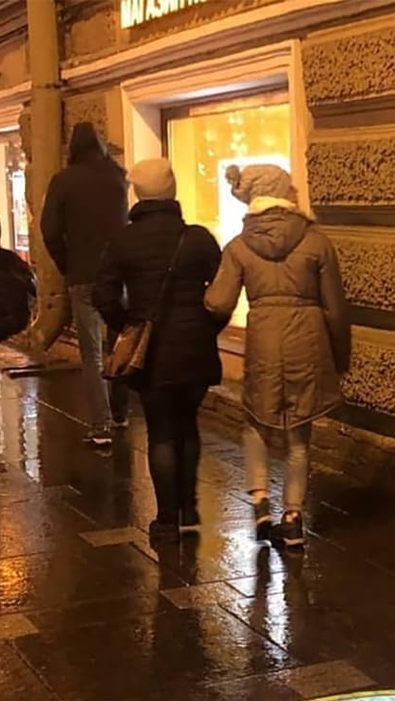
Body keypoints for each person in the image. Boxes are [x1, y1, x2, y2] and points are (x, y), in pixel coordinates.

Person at [205, 164, 349, 549]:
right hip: (308, 340)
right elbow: (335, 308)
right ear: (283, 193)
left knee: (256, 419)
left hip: (264, 340)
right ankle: (293, 517)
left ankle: (259, 501)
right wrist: (340, 357)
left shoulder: (239, 246)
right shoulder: (317, 242)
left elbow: (219, 302)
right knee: (299, 430)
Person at [93, 157, 227, 543]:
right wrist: (207, 328)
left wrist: (129, 326)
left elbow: (103, 295)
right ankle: (189, 507)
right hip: (195, 349)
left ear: (138, 194)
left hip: (151, 355)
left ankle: (167, 518)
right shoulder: (198, 239)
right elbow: (223, 293)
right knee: (188, 425)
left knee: (161, 432)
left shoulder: (124, 240)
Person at [41, 121, 129, 447]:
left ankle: (101, 426)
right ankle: (120, 412)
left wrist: (67, 263)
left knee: (91, 353)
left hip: (83, 275)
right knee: (120, 343)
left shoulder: (63, 181)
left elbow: (49, 230)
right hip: (119, 275)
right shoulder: (117, 178)